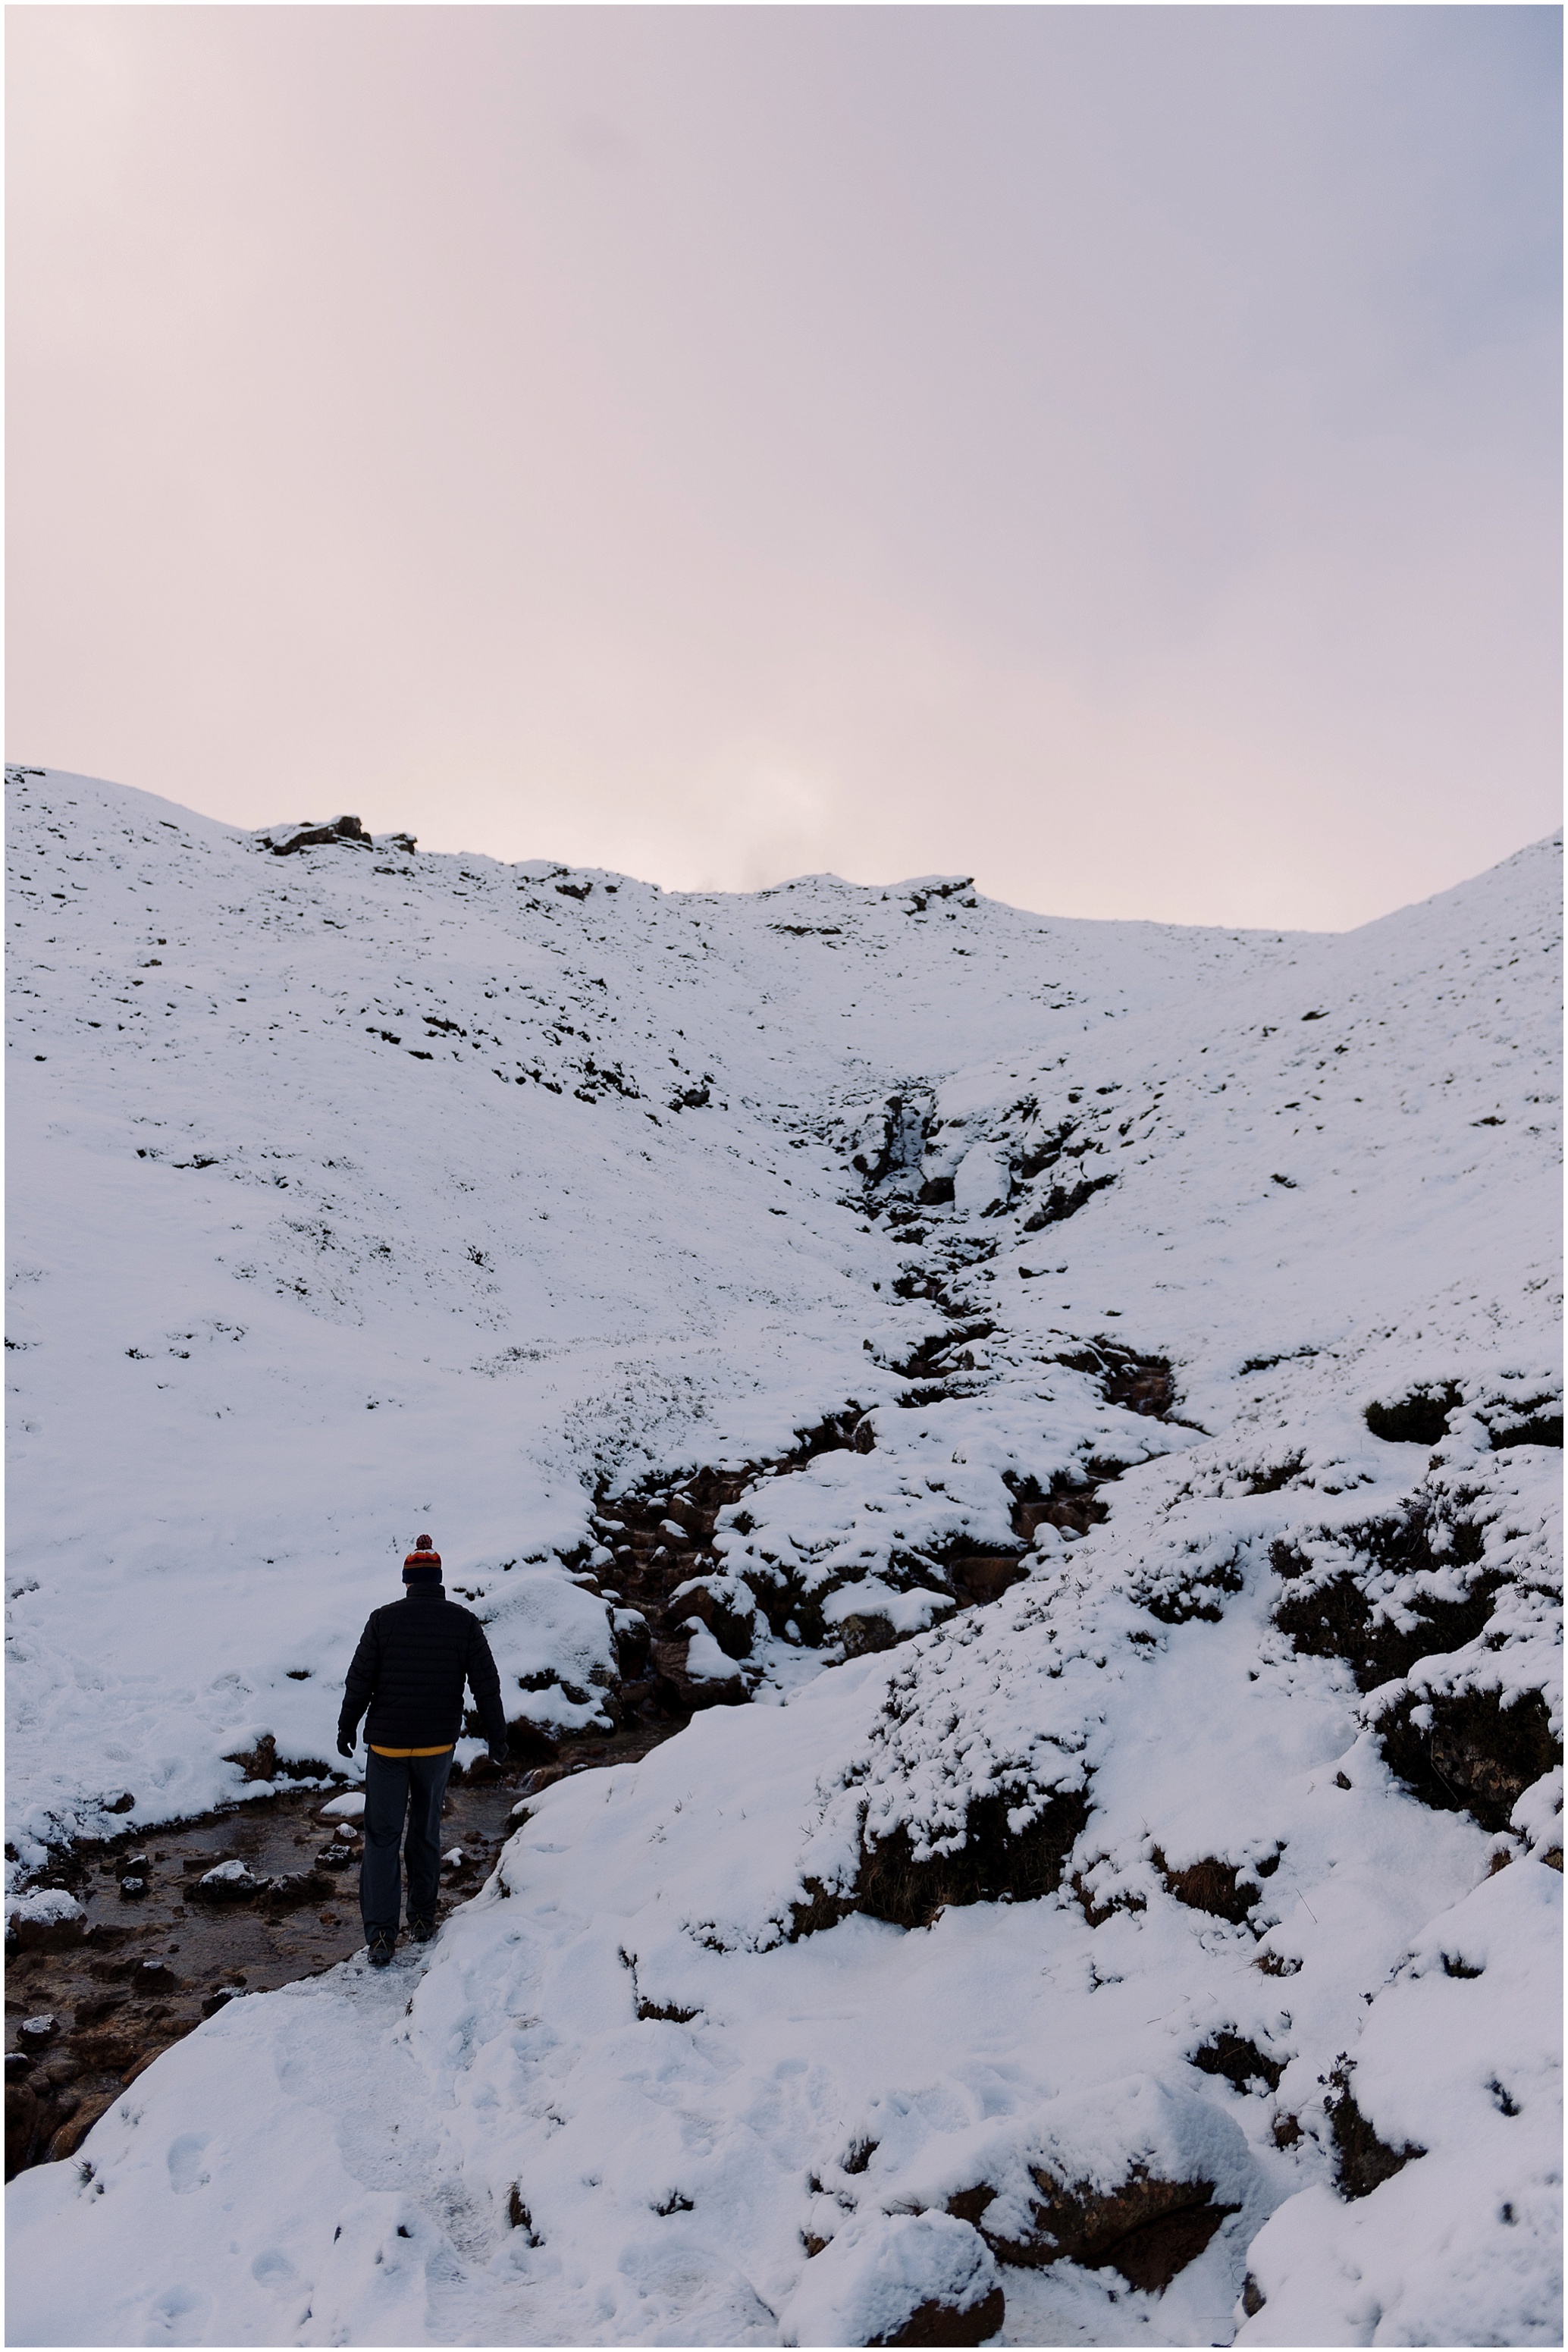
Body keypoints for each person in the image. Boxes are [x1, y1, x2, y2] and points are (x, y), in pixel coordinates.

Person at [337, 1534, 509, 1967]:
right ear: (439, 1580)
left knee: (381, 1837)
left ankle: (380, 1936)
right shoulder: (463, 1622)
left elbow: (359, 1680)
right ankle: (422, 1919)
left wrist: (347, 1725)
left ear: (407, 1581)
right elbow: (485, 1684)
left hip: (388, 1747)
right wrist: (498, 1735)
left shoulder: (382, 1620)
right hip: (435, 1746)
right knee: (425, 1831)